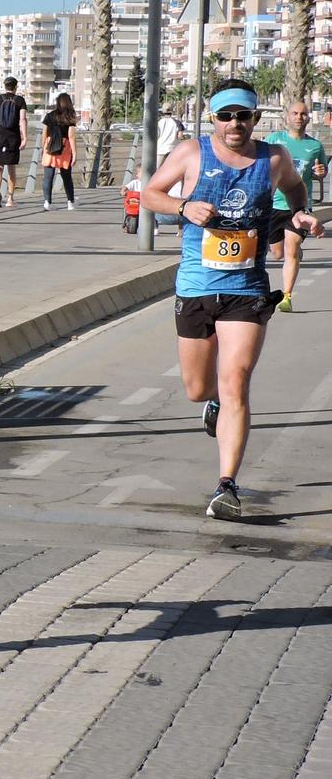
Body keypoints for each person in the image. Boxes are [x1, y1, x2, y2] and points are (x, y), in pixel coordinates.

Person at [141, 78, 323, 520]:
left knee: (236, 378)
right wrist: (182, 208)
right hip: (197, 285)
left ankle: (226, 486)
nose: (235, 124)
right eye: (226, 116)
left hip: (247, 288)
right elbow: (148, 194)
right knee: (197, 388)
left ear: (256, 119)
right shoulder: (190, 153)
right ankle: (213, 404)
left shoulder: (274, 158)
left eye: (243, 115)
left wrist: (301, 213)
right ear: (214, 119)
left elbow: (297, 190)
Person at [268, 100, 328, 312]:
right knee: (277, 253)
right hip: (274, 204)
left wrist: (321, 173)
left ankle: (287, 296)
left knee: (291, 247)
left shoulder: (315, 146)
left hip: (300, 206)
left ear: (308, 117)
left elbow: (320, 172)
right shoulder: (274, 140)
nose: (299, 117)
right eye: (295, 113)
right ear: (287, 116)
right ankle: (292, 254)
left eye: (303, 114)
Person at [0, 76, 27, 206]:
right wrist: (24, 137)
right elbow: (23, 119)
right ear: (16, 87)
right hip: (13, 138)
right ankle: (10, 198)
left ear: (5, 86)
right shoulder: (20, 100)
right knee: (11, 168)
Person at [42, 92, 78, 210]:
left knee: (48, 176)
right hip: (65, 147)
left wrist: (44, 147)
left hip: (50, 146)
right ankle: (70, 202)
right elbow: (71, 136)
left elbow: (44, 133)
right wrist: (75, 153)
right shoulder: (70, 116)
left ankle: (47, 202)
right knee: (67, 177)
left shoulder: (50, 115)